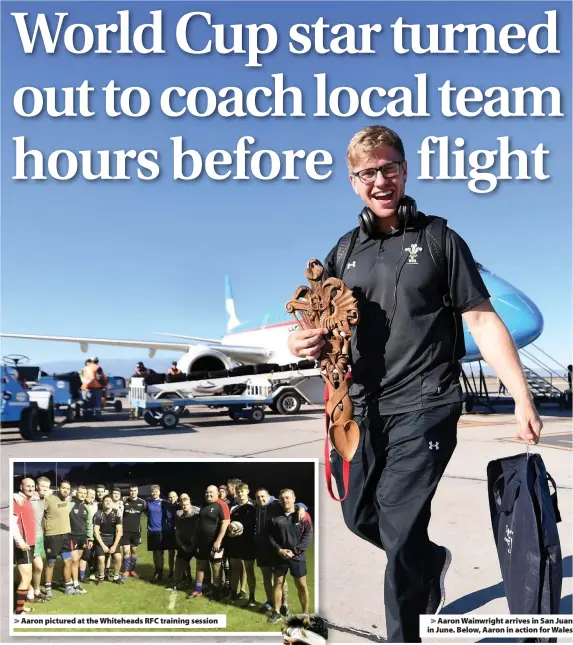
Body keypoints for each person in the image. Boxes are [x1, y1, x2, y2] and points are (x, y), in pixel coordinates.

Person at [287, 125, 543, 642]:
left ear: (404, 171)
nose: (379, 180)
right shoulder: (344, 250)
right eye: (367, 173)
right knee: (361, 518)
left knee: (401, 529)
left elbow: (482, 320)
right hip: (359, 412)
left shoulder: (440, 240)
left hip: (427, 404)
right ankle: (430, 562)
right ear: (353, 181)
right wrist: (302, 342)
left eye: (388, 169)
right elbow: (318, 324)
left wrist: (522, 395)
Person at [267, 489, 313, 624]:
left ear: (294, 499)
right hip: (280, 555)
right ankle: (276, 612)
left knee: (302, 585)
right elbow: (270, 536)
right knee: (278, 583)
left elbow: (308, 536)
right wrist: (279, 550)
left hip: (297, 555)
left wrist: (295, 550)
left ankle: (306, 614)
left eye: (287, 498)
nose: (285, 501)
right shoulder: (275, 516)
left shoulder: (303, 515)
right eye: (282, 498)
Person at [190, 485, 230, 601]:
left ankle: (216, 594)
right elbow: (200, 522)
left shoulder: (222, 505)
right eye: (207, 492)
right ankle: (198, 589)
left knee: (216, 568)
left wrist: (218, 541)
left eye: (211, 492)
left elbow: (225, 523)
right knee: (200, 565)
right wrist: (194, 537)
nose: (208, 494)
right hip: (202, 543)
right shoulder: (204, 505)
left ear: (217, 493)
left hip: (215, 544)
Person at [43, 480, 77, 597]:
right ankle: (48, 590)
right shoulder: (49, 499)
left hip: (66, 536)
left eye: (68, 489)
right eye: (63, 488)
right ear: (59, 488)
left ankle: (68, 587)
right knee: (51, 563)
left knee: (68, 561)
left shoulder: (66, 501)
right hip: (52, 536)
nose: (65, 490)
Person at [13, 478, 36, 614]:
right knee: (26, 578)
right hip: (24, 545)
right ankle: (19, 612)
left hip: (30, 544)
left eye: (33, 486)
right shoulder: (17, 500)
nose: (31, 488)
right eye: (28, 486)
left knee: (27, 577)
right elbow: (13, 522)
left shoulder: (27, 500)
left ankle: (20, 608)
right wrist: (20, 541)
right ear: (21, 487)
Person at [92, 495, 123, 585]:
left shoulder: (116, 513)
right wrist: (103, 546)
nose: (108, 502)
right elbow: (96, 532)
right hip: (101, 540)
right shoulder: (98, 514)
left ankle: (116, 577)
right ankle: (101, 577)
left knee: (118, 557)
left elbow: (119, 531)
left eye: (110, 501)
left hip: (113, 539)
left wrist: (114, 546)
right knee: (101, 558)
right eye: (106, 501)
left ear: (112, 503)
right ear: (102, 502)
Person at [121, 485, 146, 579]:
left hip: (136, 531)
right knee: (126, 551)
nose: (133, 492)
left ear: (137, 491)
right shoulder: (124, 501)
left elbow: (148, 514)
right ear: (129, 491)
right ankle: (126, 570)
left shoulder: (142, 502)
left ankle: (132, 570)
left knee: (134, 551)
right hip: (125, 531)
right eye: (131, 490)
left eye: (134, 490)